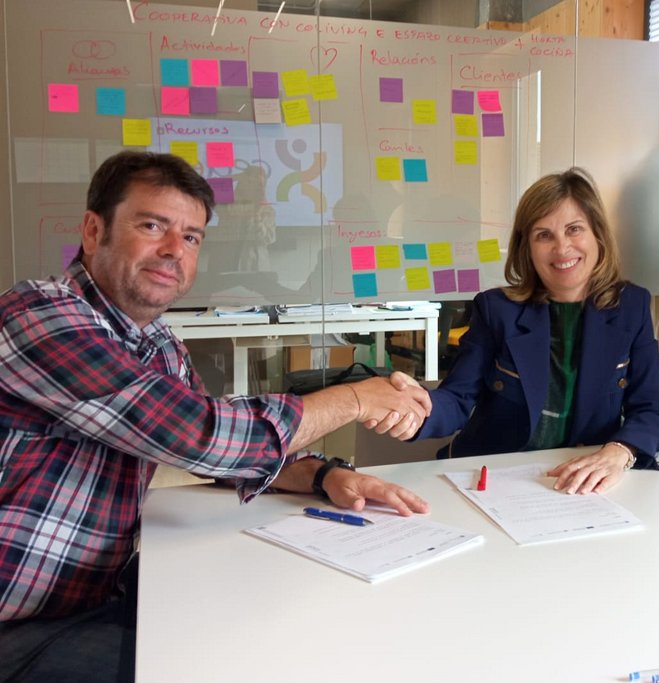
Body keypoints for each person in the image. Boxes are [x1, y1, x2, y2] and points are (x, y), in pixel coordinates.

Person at [0, 151, 430, 681]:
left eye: (191, 237)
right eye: (152, 226)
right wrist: (355, 399)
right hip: (23, 619)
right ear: (93, 230)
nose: (173, 250)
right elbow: (200, 436)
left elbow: (217, 450)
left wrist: (325, 474)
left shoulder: (158, 343)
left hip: (97, 591)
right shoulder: (39, 315)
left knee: (281, 623)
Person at [375, 167, 659, 495]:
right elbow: (457, 399)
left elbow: (651, 408)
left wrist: (619, 452)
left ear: (597, 235)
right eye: (544, 235)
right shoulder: (497, 309)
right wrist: (417, 410)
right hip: (493, 480)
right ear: (526, 247)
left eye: (574, 229)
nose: (562, 248)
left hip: (579, 485)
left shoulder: (631, 306)